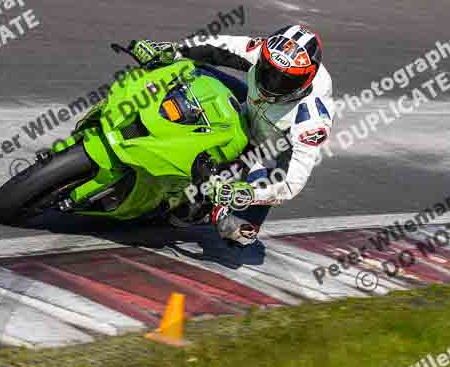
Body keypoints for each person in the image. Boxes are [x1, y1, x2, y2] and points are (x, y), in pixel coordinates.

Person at [128, 24, 333, 246]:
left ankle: (209, 207)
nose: (271, 82)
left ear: (304, 82)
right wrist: (172, 50)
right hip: (247, 111)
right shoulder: (269, 51)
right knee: (190, 70)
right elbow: (219, 46)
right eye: (267, 71)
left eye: (284, 81)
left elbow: (293, 181)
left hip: (267, 151)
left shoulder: (312, 117)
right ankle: (138, 114)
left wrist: (247, 193)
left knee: (241, 236)